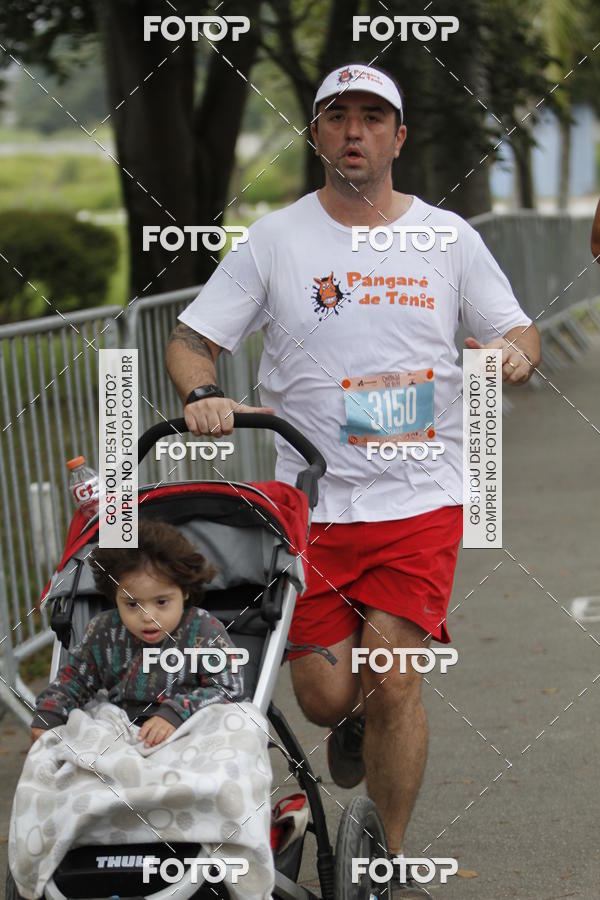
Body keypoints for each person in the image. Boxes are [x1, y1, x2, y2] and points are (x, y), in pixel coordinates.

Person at [165, 63, 541, 896]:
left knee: (394, 670)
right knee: (328, 695)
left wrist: (513, 354)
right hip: (312, 506)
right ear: (317, 134)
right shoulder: (276, 241)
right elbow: (192, 339)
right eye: (338, 117)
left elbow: (518, 329)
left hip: (423, 497)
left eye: (373, 118)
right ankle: (356, 719)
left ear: (398, 137)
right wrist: (201, 393)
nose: (355, 132)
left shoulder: (448, 238)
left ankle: (386, 863)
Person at [31, 518, 244, 748]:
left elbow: (228, 687)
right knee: (73, 739)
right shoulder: (103, 631)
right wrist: (50, 712)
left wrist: (175, 713)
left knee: (243, 728)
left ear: (184, 591)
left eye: (161, 602)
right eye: (132, 605)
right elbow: (73, 679)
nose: (147, 616)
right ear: (115, 597)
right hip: (121, 729)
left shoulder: (204, 630)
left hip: (189, 728)